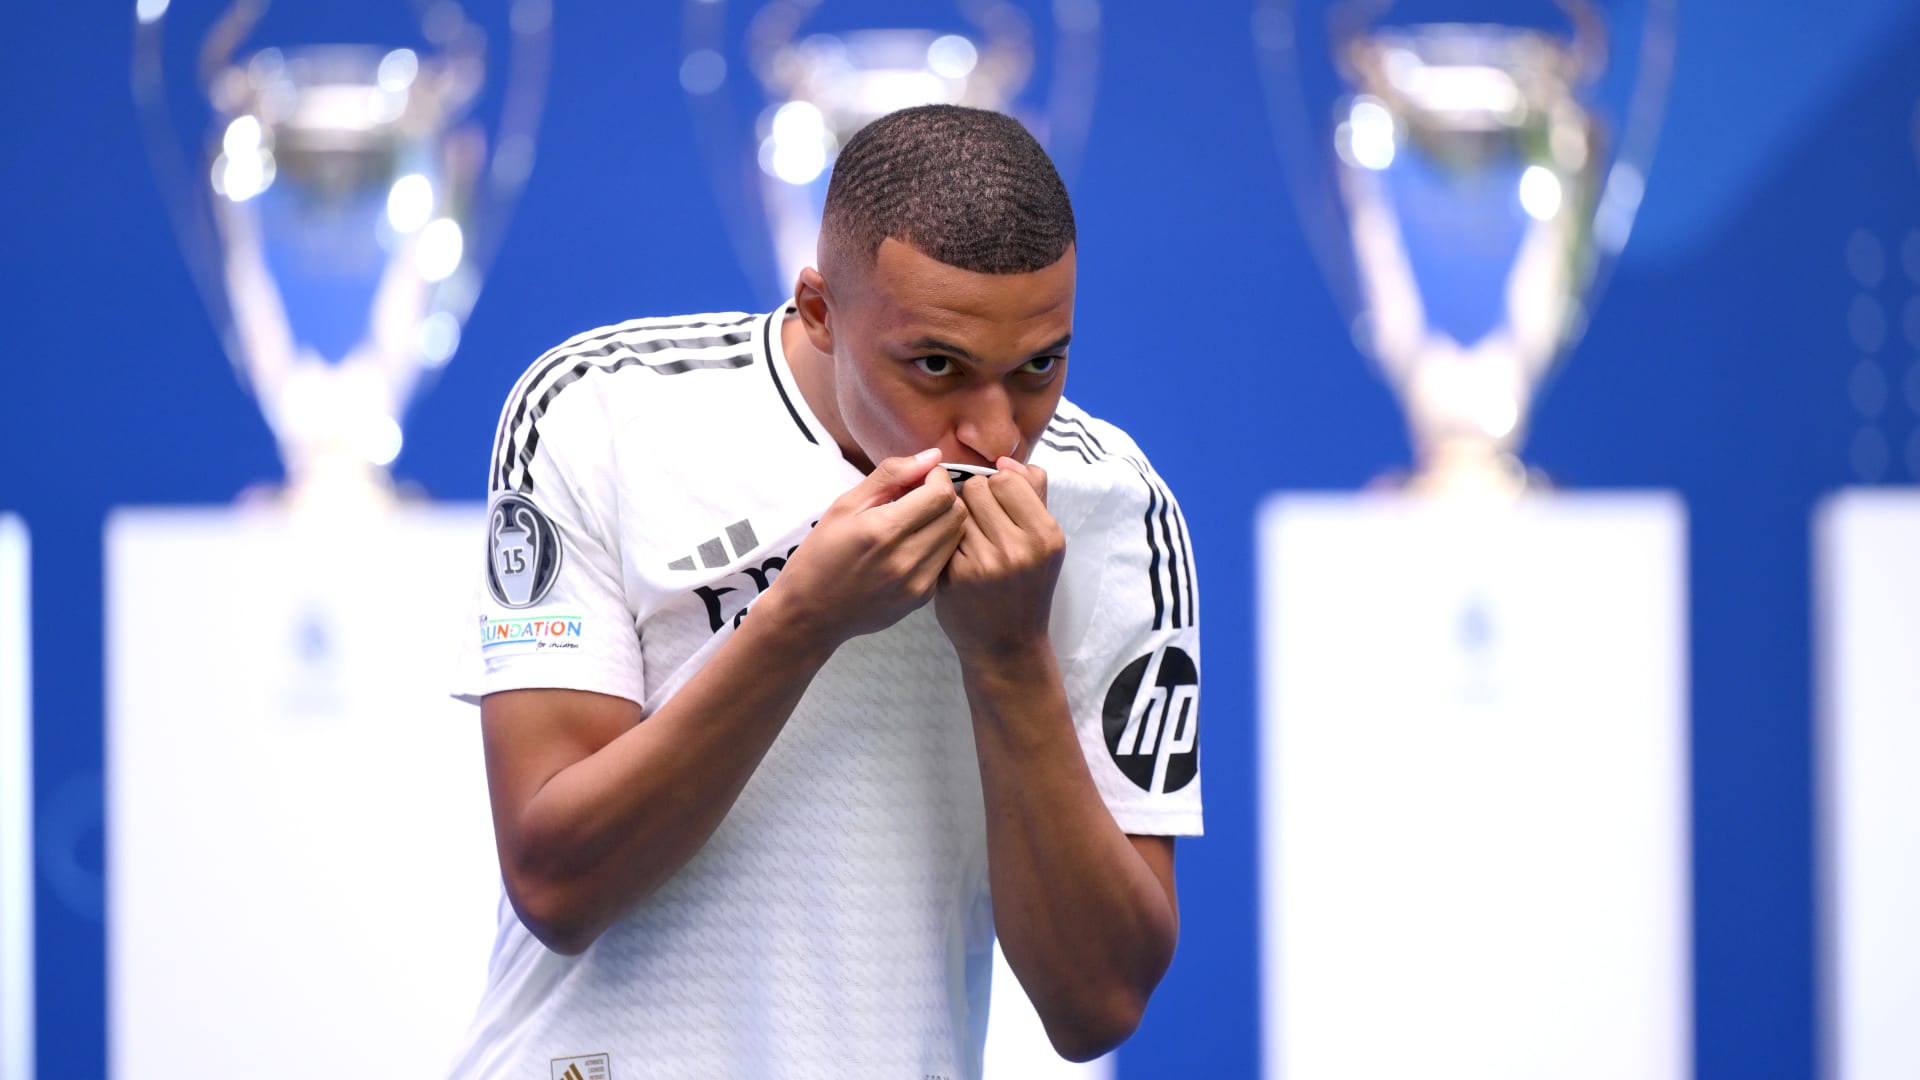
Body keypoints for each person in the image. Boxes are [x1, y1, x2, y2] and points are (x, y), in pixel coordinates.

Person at [449, 103, 1201, 1080]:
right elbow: (556, 887)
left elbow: (1098, 1006)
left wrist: (1011, 657)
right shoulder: (598, 408)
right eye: (937, 365)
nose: (994, 432)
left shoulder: (1116, 505)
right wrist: (802, 621)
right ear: (818, 310)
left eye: (1039, 366)